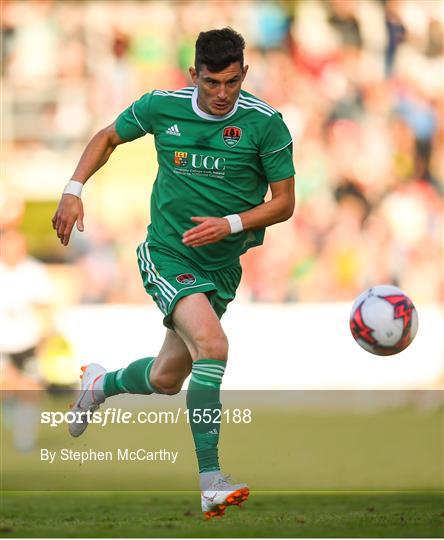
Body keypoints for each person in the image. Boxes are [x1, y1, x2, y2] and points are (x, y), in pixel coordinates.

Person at [52, 27, 295, 518]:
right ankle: (211, 480)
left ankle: (101, 384)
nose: (222, 93)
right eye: (211, 83)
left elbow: (285, 203)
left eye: (231, 82)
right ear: (194, 75)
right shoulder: (164, 106)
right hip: (168, 254)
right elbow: (108, 136)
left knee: (166, 379)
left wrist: (229, 224)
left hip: (222, 268)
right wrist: (74, 188)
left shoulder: (266, 124)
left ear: (244, 73)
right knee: (214, 346)